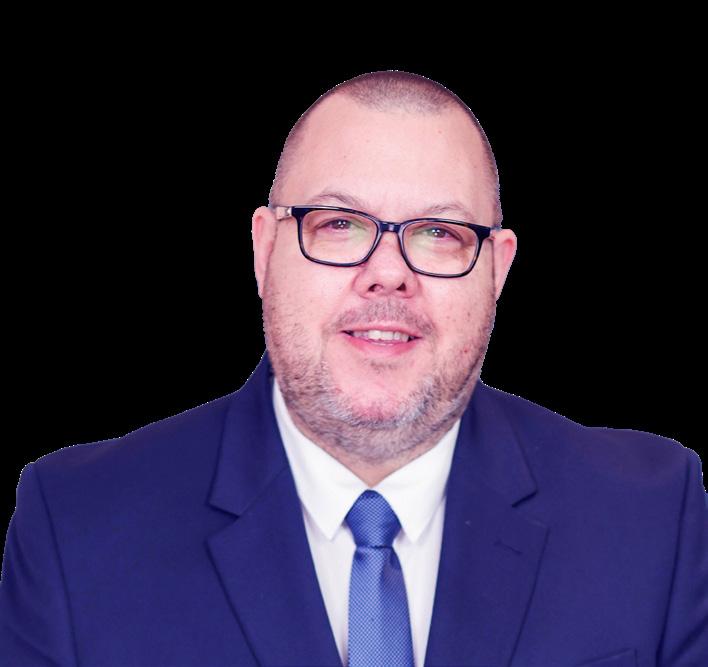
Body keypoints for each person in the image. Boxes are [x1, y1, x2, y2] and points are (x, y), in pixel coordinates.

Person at [1, 70, 705, 667]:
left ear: (497, 269)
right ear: (264, 250)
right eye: (338, 223)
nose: (388, 273)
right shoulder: (73, 525)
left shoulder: (651, 516)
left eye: (439, 232)